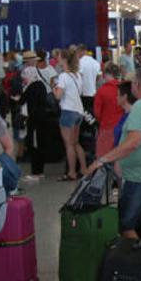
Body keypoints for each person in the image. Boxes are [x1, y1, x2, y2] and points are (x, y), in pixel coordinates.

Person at [88, 70, 141, 243]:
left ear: (137, 85)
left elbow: (133, 142)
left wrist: (103, 159)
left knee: (125, 224)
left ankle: (137, 255)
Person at [20, 63, 60, 183]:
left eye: (25, 77)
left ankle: (36, 172)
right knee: (40, 145)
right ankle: (39, 171)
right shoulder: (41, 85)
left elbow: (21, 100)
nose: (24, 79)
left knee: (34, 146)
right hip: (42, 120)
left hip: (34, 121)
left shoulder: (31, 87)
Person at [53, 50, 85, 182]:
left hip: (68, 111)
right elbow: (80, 92)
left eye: (59, 57)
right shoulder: (77, 75)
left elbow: (58, 96)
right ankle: (83, 169)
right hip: (79, 111)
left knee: (69, 144)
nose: (57, 59)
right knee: (76, 142)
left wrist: (54, 87)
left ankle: (72, 172)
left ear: (64, 59)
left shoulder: (63, 76)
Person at [92, 63, 123, 160]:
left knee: (103, 157)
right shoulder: (124, 88)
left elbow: (97, 112)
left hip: (107, 126)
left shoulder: (102, 90)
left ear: (106, 74)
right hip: (123, 126)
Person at [76, 44, 101, 114]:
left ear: (81, 51)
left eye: (77, 52)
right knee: (92, 113)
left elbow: (79, 76)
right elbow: (99, 77)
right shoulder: (96, 62)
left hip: (83, 93)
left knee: (85, 114)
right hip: (93, 93)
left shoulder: (80, 62)